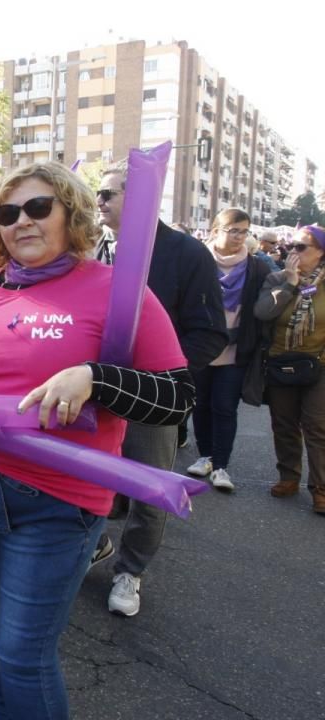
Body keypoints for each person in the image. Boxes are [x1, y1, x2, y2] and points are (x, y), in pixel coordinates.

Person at [0, 162, 193, 719]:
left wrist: (96, 377)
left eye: (39, 207)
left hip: (59, 500)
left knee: (22, 654)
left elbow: (177, 395)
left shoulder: (116, 289)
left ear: (73, 214)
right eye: (7, 213)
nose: (22, 221)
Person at [92, 161, 227, 617]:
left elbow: (209, 333)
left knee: (149, 489)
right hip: (92, 389)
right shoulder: (93, 250)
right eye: (98, 193)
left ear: (141, 197)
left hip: (150, 398)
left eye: (108, 194)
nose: (99, 202)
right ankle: (93, 542)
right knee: (86, 477)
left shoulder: (187, 254)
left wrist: (162, 376)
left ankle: (130, 571)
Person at [186, 209, 271, 492]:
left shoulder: (256, 267)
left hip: (236, 350)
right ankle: (206, 456)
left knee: (225, 407)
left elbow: (263, 308)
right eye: (232, 230)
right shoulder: (198, 260)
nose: (238, 238)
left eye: (244, 232)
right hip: (200, 348)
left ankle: (221, 465)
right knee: (201, 405)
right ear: (214, 231)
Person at [254, 224, 325, 514]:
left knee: (316, 426)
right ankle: (288, 477)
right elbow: (263, 312)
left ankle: (321, 489)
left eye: (301, 247)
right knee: (283, 423)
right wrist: (290, 284)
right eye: (291, 246)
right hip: (281, 361)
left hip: (319, 364)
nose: (292, 252)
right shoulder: (276, 278)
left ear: (321, 253)